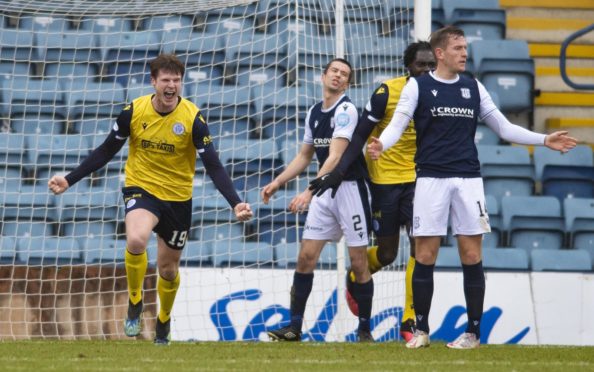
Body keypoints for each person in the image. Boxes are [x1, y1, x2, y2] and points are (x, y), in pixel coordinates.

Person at [367, 26, 577, 349]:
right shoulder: (418, 88)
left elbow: (504, 127)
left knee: (471, 254)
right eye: (458, 48)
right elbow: (397, 125)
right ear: (440, 53)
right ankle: (420, 330)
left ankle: (473, 333)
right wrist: (382, 143)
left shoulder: (473, 87)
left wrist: (544, 140)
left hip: (468, 181)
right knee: (425, 254)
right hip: (430, 180)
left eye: (465, 47)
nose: (465, 53)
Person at [48, 54, 253, 345]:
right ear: (153, 82)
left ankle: (164, 321)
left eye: (177, 80)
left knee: (168, 270)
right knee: (136, 240)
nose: (172, 86)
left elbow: (214, 166)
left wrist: (236, 202)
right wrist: (69, 179)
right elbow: (106, 151)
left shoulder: (193, 119)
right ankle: (135, 303)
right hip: (141, 189)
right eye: (166, 80)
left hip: (178, 199)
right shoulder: (134, 112)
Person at [309, 41, 436, 343]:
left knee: (421, 246)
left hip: (418, 180)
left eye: (432, 65)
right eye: (422, 65)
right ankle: (357, 273)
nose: (428, 71)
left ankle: (411, 321)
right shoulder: (386, 92)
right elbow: (359, 137)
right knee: (389, 253)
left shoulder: (438, 94)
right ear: (409, 67)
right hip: (384, 180)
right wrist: (337, 173)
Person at [262, 58, 374, 342]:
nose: (338, 76)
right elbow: (304, 156)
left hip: (349, 189)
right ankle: (294, 327)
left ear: (347, 83)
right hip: (325, 191)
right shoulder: (314, 112)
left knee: (359, 262)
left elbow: (336, 157)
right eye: (334, 71)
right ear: (323, 76)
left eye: (344, 74)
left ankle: (364, 330)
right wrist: (278, 182)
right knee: (305, 257)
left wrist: (309, 191)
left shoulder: (346, 109)